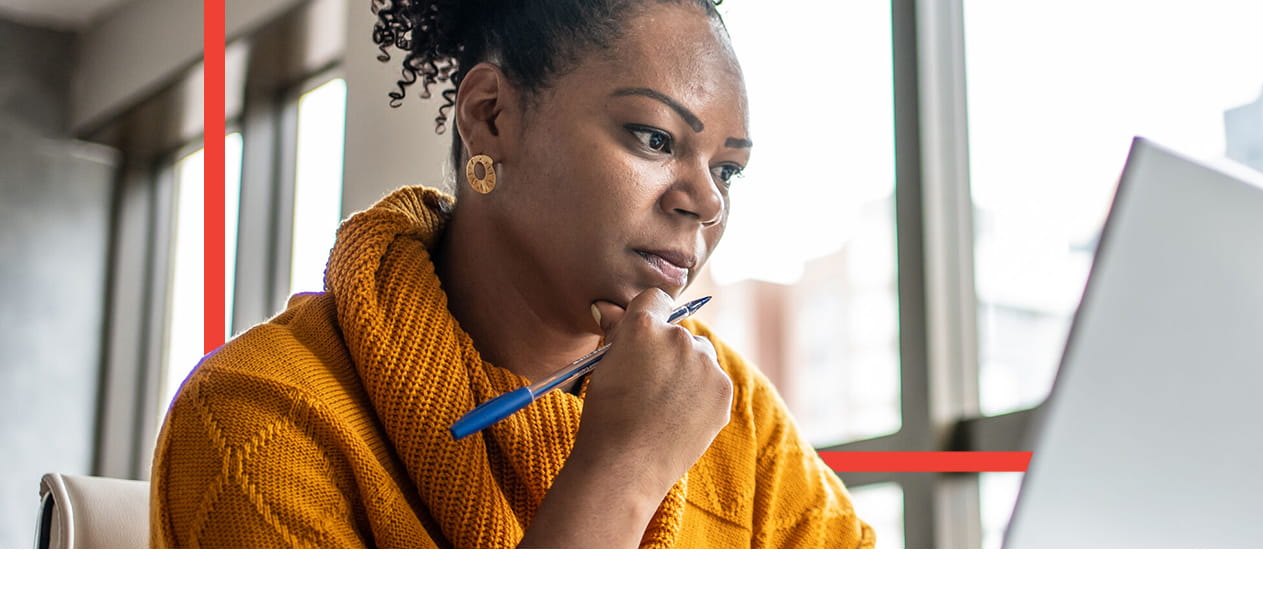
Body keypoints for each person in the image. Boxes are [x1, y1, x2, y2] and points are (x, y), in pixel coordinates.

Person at [148, 0, 875, 548]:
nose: (706, 200)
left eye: (727, 170)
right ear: (490, 116)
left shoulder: (734, 413)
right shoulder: (258, 414)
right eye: (655, 138)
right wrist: (620, 472)